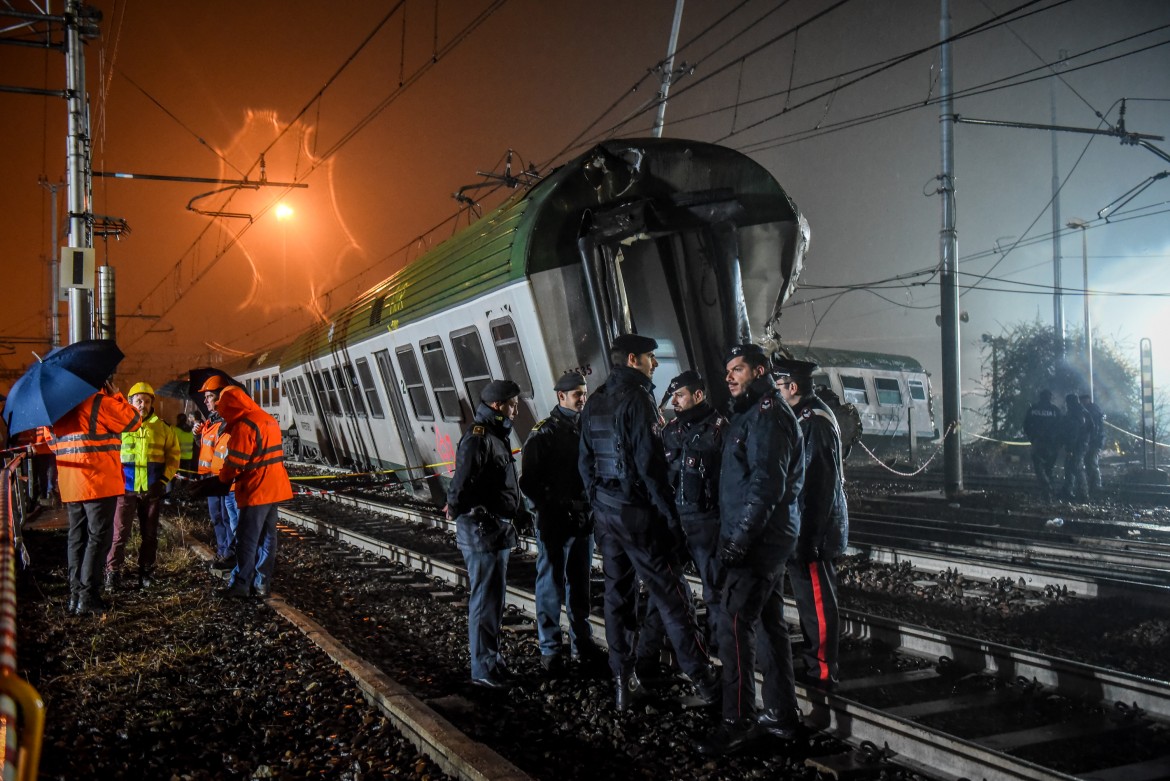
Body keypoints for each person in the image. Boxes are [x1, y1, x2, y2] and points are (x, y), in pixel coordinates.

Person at [578, 333, 719, 712]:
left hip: (607, 513)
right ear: (632, 360)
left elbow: (585, 462)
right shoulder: (638, 400)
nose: (655, 364)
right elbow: (651, 469)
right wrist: (671, 524)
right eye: (650, 358)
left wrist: (599, 500)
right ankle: (706, 682)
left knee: (617, 597)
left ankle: (624, 683)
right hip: (637, 513)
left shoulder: (595, 401)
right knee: (673, 596)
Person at [699, 343, 804, 755]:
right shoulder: (752, 414)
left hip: (759, 542)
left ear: (760, 371)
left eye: (738, 370)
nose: (729, 377)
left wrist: (739, 540)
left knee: (734, 625)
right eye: (728, 370)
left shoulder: (767, 417)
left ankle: (736, 720)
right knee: (770, 624)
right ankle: (780, 714)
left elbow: (765, 486)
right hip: (766, 538)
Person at [638, 370, 726, 673]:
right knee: (664, 588)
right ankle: (647, 652)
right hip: (675, 521)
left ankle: (719, 650)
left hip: (706, 521)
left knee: (715, 590)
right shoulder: (670, 431)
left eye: (680, 395)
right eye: (673, 395)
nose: (673, 401)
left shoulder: (719, 430)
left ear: (697, 396)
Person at [520, 372, 607, 675]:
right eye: (576, 395)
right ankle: (550, 649)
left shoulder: (586, 427)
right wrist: (547, 511)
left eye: (583, 393)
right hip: (556, 521)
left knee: (579, 583)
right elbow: (529, 481)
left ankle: (581, 640)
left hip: (583, 518)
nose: (582, 399)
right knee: (551, 585)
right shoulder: (544, 433)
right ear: (561, 397)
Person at [774, 358, 848, 690]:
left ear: (792, 387)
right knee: (808, 598)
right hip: (805, 525)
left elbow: (821, 486)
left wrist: (810, 536)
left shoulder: (813, 422)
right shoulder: (803, 416)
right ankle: (815, 663)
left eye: (778, 386)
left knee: (817, 600)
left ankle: (822, 671)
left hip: (813, 527)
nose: (774, 393)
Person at [448, 379, 524, 689]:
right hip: (483, 530)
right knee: (483, 601)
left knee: (492, 600)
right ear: (497, 406)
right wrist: (457, 508)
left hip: (494, 529)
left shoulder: (494, 434)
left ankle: (492, 661)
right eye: (512, 404)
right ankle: (482, 669)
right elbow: (462, 484)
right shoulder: (480, 437)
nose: (516, 409)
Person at [48, 379, 142, 615]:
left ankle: (75, 595)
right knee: (99, 537)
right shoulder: (99, 402)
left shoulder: (57, 406)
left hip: (70, 483)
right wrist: (117, 395)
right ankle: (88, 596)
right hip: (97, 480)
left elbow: (51, 444)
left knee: (77, 537)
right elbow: (133, 421)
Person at [212, 385, 293, 598]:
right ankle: (262, 583)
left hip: (256, 490)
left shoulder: (245, 425)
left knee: (246, 539)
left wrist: (221, 479)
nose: (222, 413)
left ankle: (240, 583)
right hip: (275, 488)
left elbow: (235, 464)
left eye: (223, 408)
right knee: (268, 538)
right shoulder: (267, 419)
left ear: (231, 405)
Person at [106, 381, 180, 590]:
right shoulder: (119, 426)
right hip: (125, 489)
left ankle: (146, 572)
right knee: (119, 533)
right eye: (138, 400)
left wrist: (163, 482)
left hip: (151, 490)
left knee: (149, 534)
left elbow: (174, 458)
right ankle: (112, 572)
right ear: (130, 402)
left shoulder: (163, 428)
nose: (143, 404)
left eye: (147, 401)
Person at [194, 377, 239, 570]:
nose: (205, 401)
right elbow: (207, 449)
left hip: (223, 479)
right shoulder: (210, 422)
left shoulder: (227, 422)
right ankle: (222, 552)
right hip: (210, 478)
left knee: (228, 518)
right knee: (217, 518)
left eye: (209, 397)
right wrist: (198, 436)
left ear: (220, 397)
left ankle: (229, 554)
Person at [1022, 389, 1062, 502]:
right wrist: (1057, 442)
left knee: (1039, 467)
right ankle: (1048, 491)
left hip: (1038, 443)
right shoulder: (1055, 410)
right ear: (1050, 398)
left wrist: (1032, 438)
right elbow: (1061, 427)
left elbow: (1026, 425)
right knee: (1049, 468)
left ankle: (1046, 489)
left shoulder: (1033, 409)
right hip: (1052, 445)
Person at [1061, 393, 1090, 502]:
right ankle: (1068, 491)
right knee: (1069, 467)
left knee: (1077, 468)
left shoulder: (1075, 413)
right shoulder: (1083, 411)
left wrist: (1070, 449)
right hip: (1082, 444)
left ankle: (1083, 495)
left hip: (1077, 446)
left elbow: (1073, 433)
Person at [1080, 394, 1105, 496]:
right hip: (1093, 441)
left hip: (1094, 442)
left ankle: (1096, 485)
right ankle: (1093, 484)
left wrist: (1091, 439)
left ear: (1088, 400)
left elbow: (1094, 428)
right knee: (1089, 462)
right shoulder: (1093, 409)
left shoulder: (1091, 411)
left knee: (1092, 462)